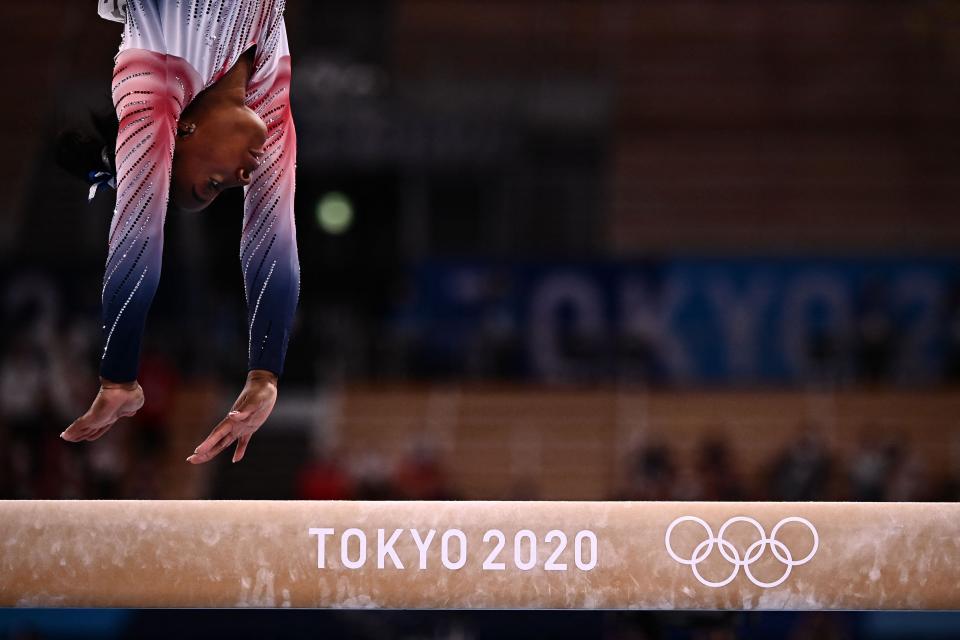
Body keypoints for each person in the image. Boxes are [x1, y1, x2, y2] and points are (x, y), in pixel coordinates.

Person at [59, 0, 300, 465]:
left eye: (212, 183)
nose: (241, 180)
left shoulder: (152, 81)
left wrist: (118, 375)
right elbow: (273, 238)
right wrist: (264, 375)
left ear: (181, 131)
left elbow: (138, 232)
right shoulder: (265, 97)